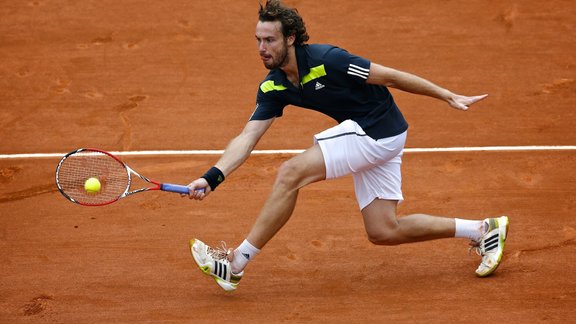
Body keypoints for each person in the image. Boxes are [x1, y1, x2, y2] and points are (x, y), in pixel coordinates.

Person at [185, 0, 509, 292]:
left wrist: (447, 94)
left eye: (269, 40)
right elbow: (247, 137)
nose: (261, 47)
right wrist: (213, 176)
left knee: (290, 173)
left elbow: (390, 77)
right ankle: (482, 229)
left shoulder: (330, 60)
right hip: (385, 137)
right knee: (384, 230)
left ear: (290, 38)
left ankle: (235, 263)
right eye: (258, 40)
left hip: (376, 130)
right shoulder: (274, 84)